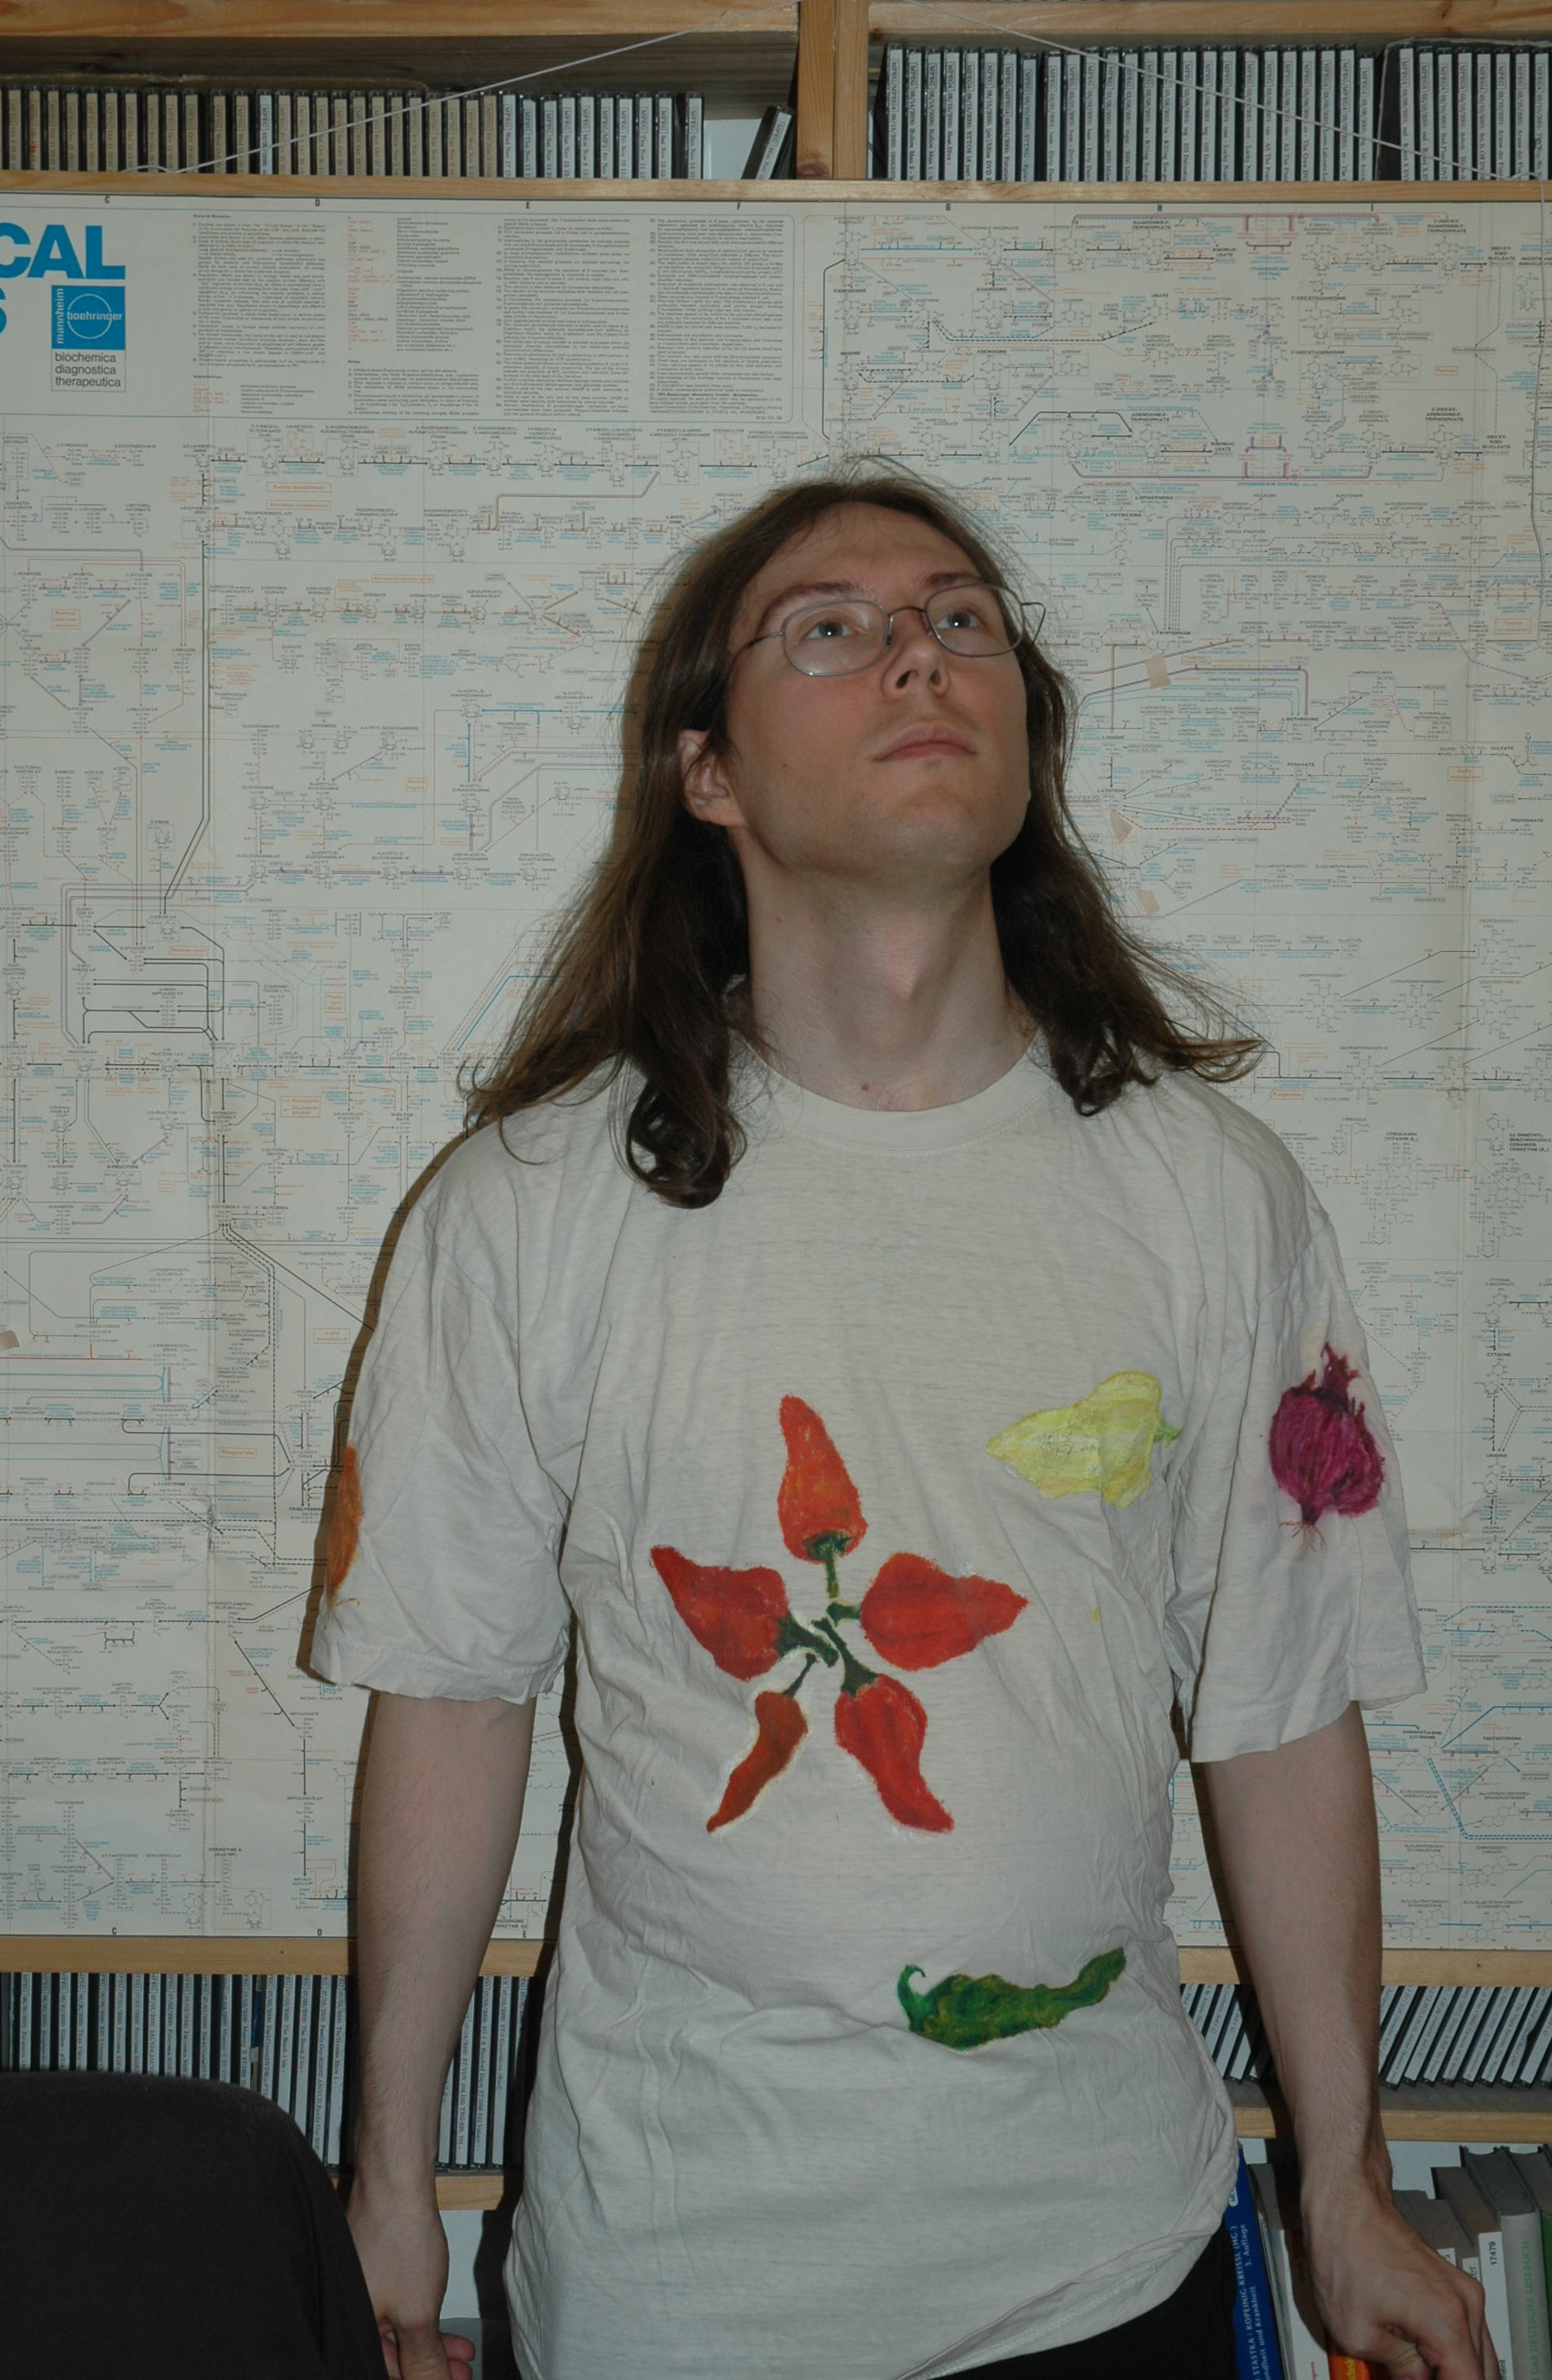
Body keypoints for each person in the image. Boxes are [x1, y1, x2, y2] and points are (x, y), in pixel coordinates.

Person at [307, 465, 1494, 2380]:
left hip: (1109, 2268)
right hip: (668, 2288)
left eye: (960, 621)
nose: (918, 657)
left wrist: (1346, 2182)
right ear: (707, 771)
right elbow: (450, 1695)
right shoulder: (523, 1211)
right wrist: (387, 2186)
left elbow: (1280, 1708)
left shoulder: (1215, 1194)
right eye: (831, 630)